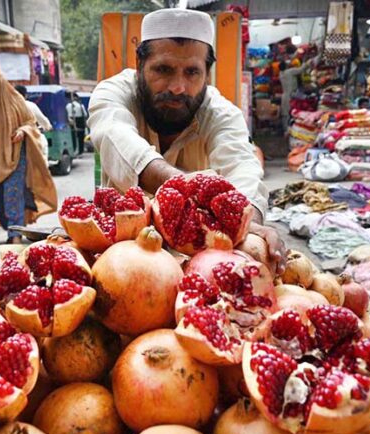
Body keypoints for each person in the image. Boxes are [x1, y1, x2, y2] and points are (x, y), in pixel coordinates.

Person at [88, 8, 286, 273]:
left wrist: (246, 219)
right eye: (163, 69)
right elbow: (115, 135)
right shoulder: (113, 94)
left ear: (207, 73)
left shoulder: (221, 113)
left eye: (192, 72)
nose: (177, 86)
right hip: (119, 262)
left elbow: (242, 166)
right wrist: (188, 188)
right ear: (140, 65)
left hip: (200, 263)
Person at [0, 63, 58, 244]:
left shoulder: (15, 98)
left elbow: (30, 122)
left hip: (15, 155)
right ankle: (10, 228)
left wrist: (23, 131)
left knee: (13, 194)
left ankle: (14, 234)